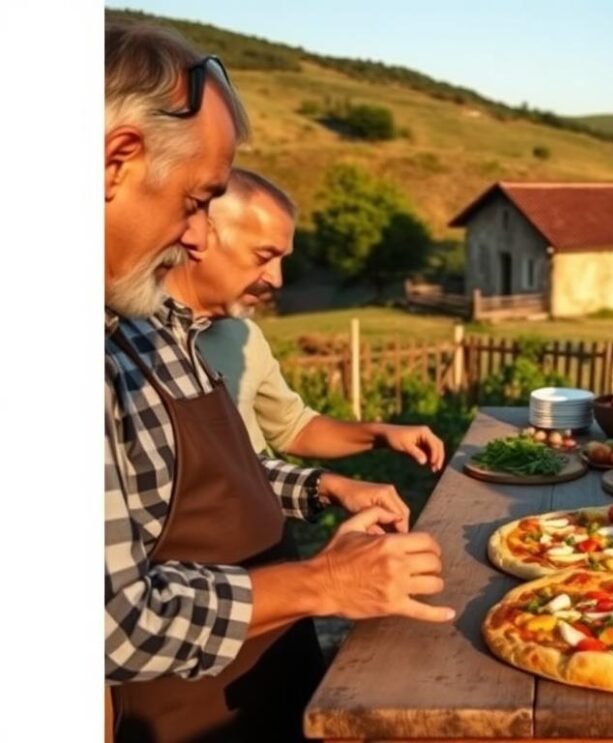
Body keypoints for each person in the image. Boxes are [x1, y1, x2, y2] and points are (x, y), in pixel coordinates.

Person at [104, 23, 453, 742]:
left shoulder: (152, 329)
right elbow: (114, 622)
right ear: (117, 161)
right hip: (192, 710)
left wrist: (321, 500)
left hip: (270, 664)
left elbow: (215, 473)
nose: (195, 239)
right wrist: (325, 582)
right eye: (198, 200)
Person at [164, 168, 446, 523]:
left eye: (283, 260)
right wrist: (328, 487)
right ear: (198, 236)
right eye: (263, 256)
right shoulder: (129, 347)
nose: (276, 279)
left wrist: (380, 433)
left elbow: (293, 426)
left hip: (265, 531)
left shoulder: (242, 335)